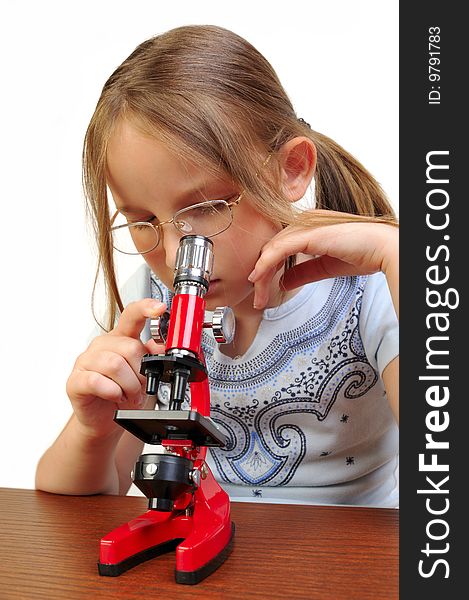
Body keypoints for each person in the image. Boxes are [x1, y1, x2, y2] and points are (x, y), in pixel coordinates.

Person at [35, 24, 399, 507]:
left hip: (345, 567)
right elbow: (79, 498)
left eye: (204, 207)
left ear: (291, 169)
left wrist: (401, 260)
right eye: (142, 221)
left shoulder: (371, 289)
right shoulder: (152, 301)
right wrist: (93, 428)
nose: (171, 254)